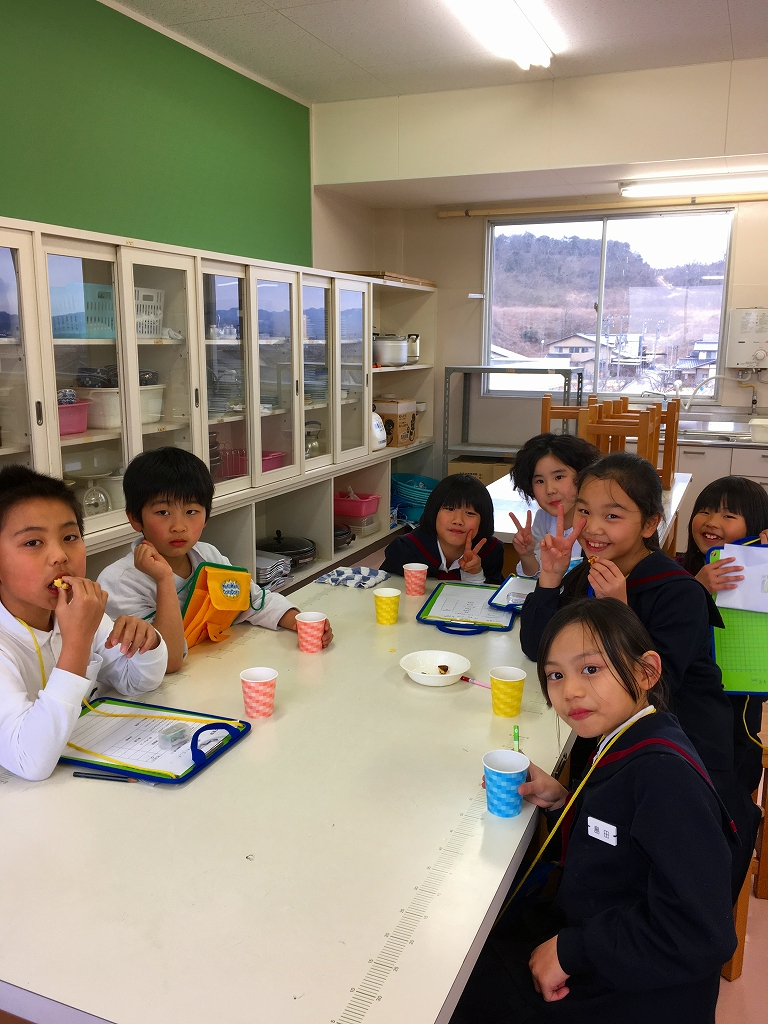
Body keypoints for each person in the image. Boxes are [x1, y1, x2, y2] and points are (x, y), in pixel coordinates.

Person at [452, 599, 737, 1024]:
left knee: (459, 988)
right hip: (605, 939)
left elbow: (702, 930)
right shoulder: (626, 738)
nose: (570, 691)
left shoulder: (664, 776)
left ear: (646, 672)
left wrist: (572, 951)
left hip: (637, 988)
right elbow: (626, 841)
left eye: (590, 668)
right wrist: (564, 803)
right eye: (555, 675)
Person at [519, 451, 759, 896]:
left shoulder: (679, 593)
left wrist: (619, 611)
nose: (592, 528)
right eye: (584, 511)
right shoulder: (587, 576)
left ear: (650, 524)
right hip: (616, 744)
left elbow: (655, 693)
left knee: (640, 878)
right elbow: (539, 649)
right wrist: (550, 577)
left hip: (682, 755)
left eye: (612, 515)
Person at [97, 449, 332, 673]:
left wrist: (298, 621)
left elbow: (252, 600)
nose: (178, 526)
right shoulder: (119, 582)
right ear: (135, 518)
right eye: (163, 512)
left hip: (213, 670)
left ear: (206, 516)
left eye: (191, 512)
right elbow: (166, 661)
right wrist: (164, 579)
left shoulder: (208, 556)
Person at [0, 466, 167, 781]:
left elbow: (139, 681)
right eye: (33, 542)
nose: (60, 556)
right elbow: (29, 761)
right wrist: (76, 642)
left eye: (70, 537)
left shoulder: (75, 609)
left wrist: (148, 642)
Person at [680, 475, 768, 794]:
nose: (712, 521)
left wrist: (763, 560)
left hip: (738, 707)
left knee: (736, 768)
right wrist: (697, 589)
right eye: (704, 511)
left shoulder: (762, 571)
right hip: (689, 707)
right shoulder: (679, 573)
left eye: (728, 515)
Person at [381, 473, 504, 585]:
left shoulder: (490, 552)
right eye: (450, 509)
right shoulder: (405, 549)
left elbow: (497, 595)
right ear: (434, 512)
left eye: (470, 513)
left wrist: (475, 574)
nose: (458, 520)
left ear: (484, 520)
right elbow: (384, 588)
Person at [509, 433, 600, 578]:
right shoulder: (543, 518)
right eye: (539, 481)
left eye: (559, 477)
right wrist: (527, 555)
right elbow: (534, 574)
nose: (550, 490)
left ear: (582, 474)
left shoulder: (597, 523)